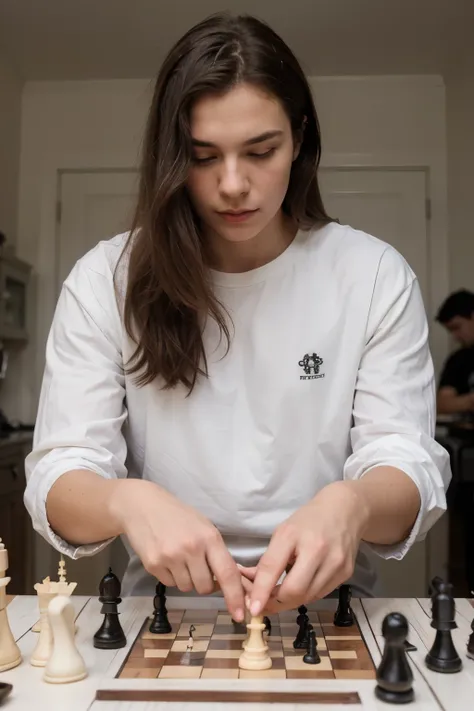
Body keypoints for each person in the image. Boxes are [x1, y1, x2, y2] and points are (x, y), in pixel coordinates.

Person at [24, 12, 450, 622]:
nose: (232, 184)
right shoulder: (105, 281)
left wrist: (351, 503)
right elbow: (59, 475)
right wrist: (125, 501)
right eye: (202, 156)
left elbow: (407, 460)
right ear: (172, 156)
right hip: (163, 617)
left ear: (299, 139)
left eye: (261, 150)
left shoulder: (372, 275)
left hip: (328, 616)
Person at [436, 290, 474, 417]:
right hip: (462, 435)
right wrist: (470, 401)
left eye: (457, 327)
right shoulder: (458, 359)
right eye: (450, 330)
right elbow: (442, 404)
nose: (455, 336)